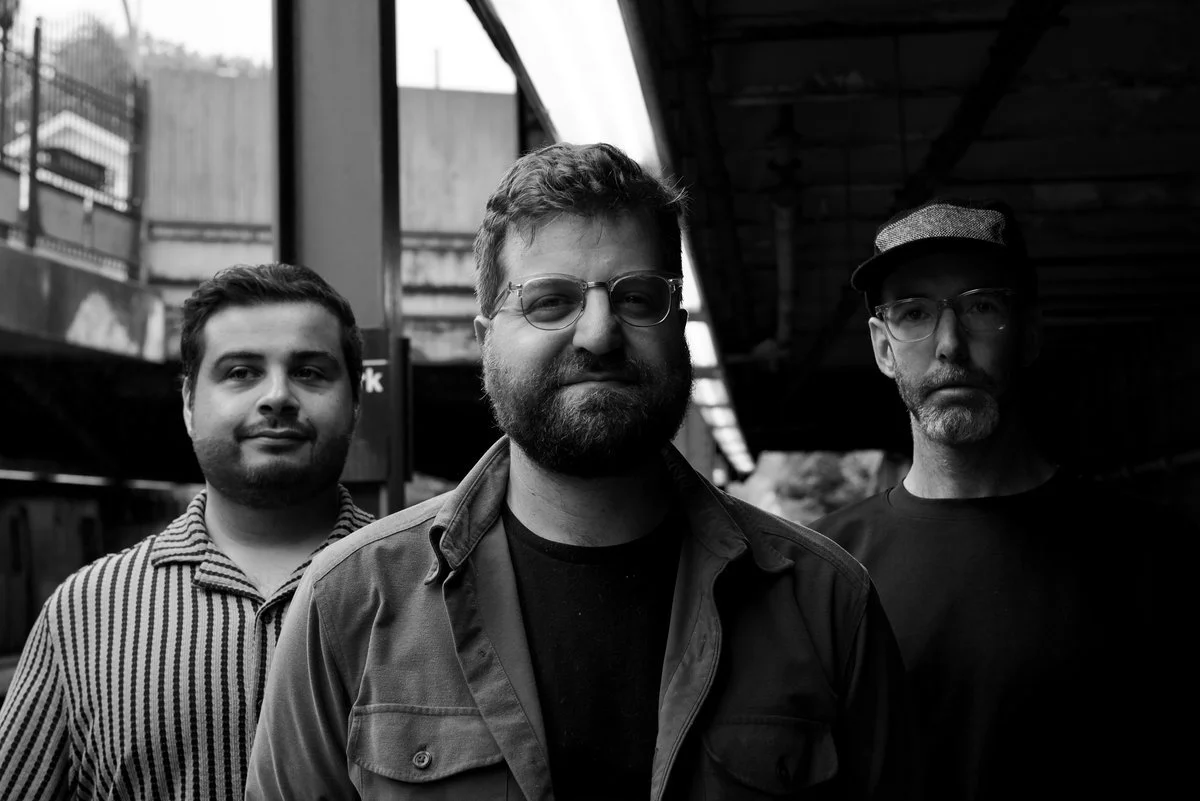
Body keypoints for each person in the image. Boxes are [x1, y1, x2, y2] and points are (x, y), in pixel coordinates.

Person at [246, 143, 909, 800]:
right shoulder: (350, 604)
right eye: (550, 301)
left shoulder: (827, 604)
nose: (598, 334)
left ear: (679, 329)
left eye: (638, 298)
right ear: (486, 339)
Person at [812, 197, 1166, 799]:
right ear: (883, 348)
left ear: (1028, 333)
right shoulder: (827, 570)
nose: (949, 344)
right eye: (914, 312)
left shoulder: (1152, 555)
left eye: (981, 306)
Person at [0, 263, 375, 799]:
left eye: (310, 372)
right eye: (241, 371)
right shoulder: (81, 615)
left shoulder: (433, 593)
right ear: (189, 405)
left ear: (356, 404)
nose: (277, 396)